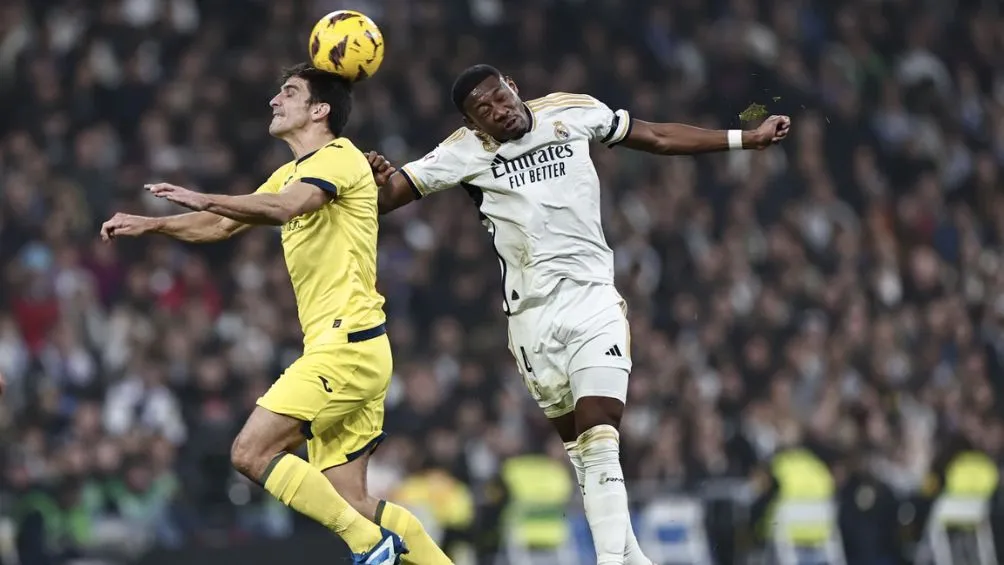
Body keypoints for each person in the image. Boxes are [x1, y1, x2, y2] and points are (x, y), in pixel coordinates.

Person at [369, 63, 791, 565]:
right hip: (531, 320)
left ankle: (611, 561)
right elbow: (388, 198)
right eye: (482, 111)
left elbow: (655, 137)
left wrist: (747, 138)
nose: (497, 111)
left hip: (593, 300)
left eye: (499, 97)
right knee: (583, 457)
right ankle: (630, 558)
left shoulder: (572, 111)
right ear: (472, 122)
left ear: (513, 87)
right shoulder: (462, 151)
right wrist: (373, 179)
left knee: (600, 434)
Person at [99, 63, 452, 565]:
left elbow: (287, 208)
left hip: (346, 345)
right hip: (355, 347)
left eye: (288, 92)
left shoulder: (339, 156)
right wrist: (151, 225)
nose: (274, 100)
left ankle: (368, 545)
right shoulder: (291, 173)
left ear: (320, 109)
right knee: (352, 502)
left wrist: (203, 195)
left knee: (251, 452)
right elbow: (218, 226)